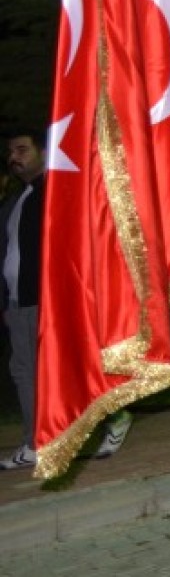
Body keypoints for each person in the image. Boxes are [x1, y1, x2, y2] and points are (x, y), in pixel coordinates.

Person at [0, 128, 47, 469]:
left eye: (22, 149)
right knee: (25, 372)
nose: (14, 157)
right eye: (10, 152)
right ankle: (40, 440)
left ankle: (37, 444)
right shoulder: (22, 198)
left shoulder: (52, 194)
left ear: (43, 150)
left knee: (32, 373)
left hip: (40, 302)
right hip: (18, 304)